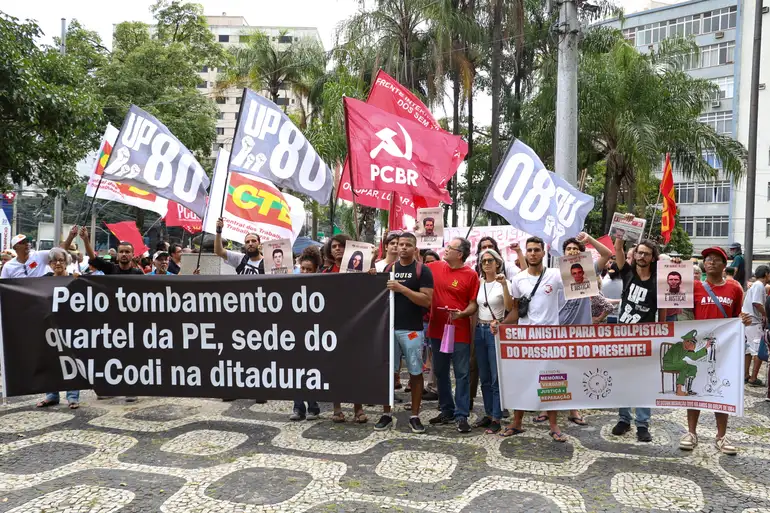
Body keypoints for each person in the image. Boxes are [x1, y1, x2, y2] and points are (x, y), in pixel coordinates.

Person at [497, 236, 567, 442]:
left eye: (537, 250)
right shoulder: (518, 279)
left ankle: (554, 425)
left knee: (553, 382)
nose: (533, 253)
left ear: (544, 253)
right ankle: (517, 422)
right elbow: (516, 310)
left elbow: (585, 279)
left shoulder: (555, 275)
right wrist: (500, 326)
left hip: (550, 337)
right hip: (525, 338)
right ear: (525, 253)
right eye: (530, 250)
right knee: (522, 380)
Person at [680, 246, 745, 454]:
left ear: (725, 265)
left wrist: (743, 320)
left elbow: (736, 317)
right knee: (694, 388)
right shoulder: (695, 287)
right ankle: (691, 432)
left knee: (722, 390)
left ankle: (721, 436)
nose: (711, 262)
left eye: (717, 259)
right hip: (699, 347)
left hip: (724, 349)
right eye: (708, 259)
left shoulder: (734, 289)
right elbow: (684, 314)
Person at [375, 232, 434, 433]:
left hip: (412, 330)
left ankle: (415, 415)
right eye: (400, 244)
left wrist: (402, 289)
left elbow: (427, 301)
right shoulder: (389, 268)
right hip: (390, 329)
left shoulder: (422, 270)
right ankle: (386, 413)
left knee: (415, 373)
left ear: (414, 248)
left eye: (408, 245)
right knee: (388, 372)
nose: (403, 248)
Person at [611, 229, 665, 442]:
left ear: (653, 258)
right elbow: (617, 248)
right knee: (624, 378)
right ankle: (624, 419)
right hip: (623, 335)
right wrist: (622, 228)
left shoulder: (658, 281)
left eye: (646, 254)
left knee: (644, 381)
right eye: (639, 253)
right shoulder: (627, 273)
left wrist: (662, 331)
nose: (642, 257)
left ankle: (642, 424)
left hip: (647, 337)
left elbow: (665, 309)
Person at [426, 237, 479, 433]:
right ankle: (446, 409)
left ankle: (461, 414)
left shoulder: (471, 275)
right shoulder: (434, 267)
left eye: (450, 247)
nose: (445, 249)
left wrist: (462, 314)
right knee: (440, 372)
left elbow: (473, 304)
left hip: (459, 331)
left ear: (460, 254)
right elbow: (414, 268)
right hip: (437, 329)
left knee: (462, 374)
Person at [323, 234, 366, 422]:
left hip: (356, 327)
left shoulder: (360, 271)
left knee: (356, 368)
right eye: (334, 246)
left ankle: (359, 409)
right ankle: (337, 409)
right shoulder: (324, 274)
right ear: (329, 251)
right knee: (336, 368)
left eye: (341, 245)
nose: (338, 249)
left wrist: (371, 275)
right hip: (332, 328)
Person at [473, 248, 512, 434]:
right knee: (485, 376)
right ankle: (488, 414)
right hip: (479, 329)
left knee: (496, 377)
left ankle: (497, 416)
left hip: (494, 330)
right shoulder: (478, 283)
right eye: (483, 261)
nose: (486, 264)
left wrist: (504, 286)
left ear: (498, 263)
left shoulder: (503, 282)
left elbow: (510, 306)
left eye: (490, 260)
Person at [37, 247, 81, 409]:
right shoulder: (43, 280)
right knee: (51, 360)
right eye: (54, 260)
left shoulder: (74, 279)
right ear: (49, 264)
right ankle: (51, 395)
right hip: (50, 327)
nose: (58, 263)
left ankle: (73, 397)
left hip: (71, 327)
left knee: (72, 360)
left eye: (61, 260)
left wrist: (79, 281)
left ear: (67, 262)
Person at [290, 246, 325, 421]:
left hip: (315, 335)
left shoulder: (321, 285)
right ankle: (298, 407)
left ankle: (313, 405)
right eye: (302, 268)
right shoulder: (291, 283)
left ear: (316, 269)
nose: (304, 272)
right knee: (296, 370)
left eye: (308, 269)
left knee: (311, 370)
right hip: (294, 334)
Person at [1, 229, 78, 279]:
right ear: (15, 247)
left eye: (28, 241)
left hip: (40, 300)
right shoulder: (8, 266)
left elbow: (60, 251)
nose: (27, 244)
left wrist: (70, 237)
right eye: (23, 243)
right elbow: (4, 286)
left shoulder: (39, 256)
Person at [742, 265, 769, 387]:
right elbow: (757, 303)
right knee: (758, 351)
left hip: (748, 320)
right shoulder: (759, 285)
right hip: (753, 321)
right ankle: (753, 378)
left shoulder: (755, 285)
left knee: (747, 350)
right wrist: (766, 314)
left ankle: (746, 375)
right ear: (767, 274)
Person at [80, 227, 144, 277]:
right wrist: (86, 240)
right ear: (117, 254)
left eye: (127, 252)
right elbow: (93, 258)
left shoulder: (138, 274)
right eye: (121, 252)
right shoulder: (110, 268)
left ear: (133, 255)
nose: (124, 254)